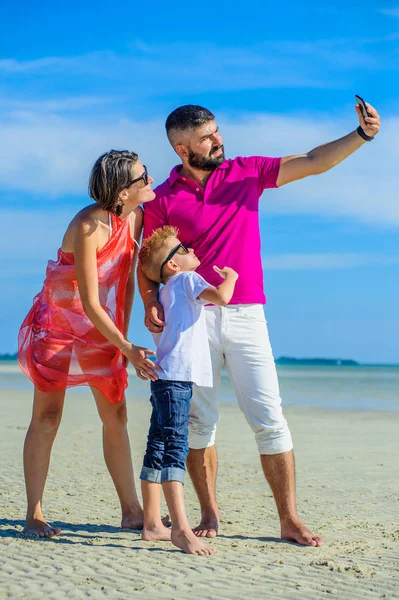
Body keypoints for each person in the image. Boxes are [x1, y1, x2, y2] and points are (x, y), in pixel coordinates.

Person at [138, 103, 381, 547]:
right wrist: (151, 299)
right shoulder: (163, 197)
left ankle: (288, 519)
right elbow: (149, 257)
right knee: (199, 422)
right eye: (207, 137)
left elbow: (311, 161)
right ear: (182, 148)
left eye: (216, 131)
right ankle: (209, 511)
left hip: (248, 313)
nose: (218, 140)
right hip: (194, 318)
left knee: (270, 418)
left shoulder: (245, 172)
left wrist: (360, 136)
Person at [18, 150, 160, 537]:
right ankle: (34, 513)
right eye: (142, 177)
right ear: (120, 190)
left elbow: (127, 280)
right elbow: (89, 299)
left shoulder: (137, 217)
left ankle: (132, 511)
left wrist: (123, 340)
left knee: (116, 416)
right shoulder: (87, 225)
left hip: (103, 329)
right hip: (60, 325)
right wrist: (127, 346)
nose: (150, 181)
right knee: (47, 417)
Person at [138, 225, 238, 554]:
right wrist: (233, 277)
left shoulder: (166, 289)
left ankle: (153, 523)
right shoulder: (188, 280)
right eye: (182, 249)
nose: (190, 249)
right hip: (178, 378)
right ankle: (181, 529)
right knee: (176, 448)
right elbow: (223, 298)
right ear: (173, 265)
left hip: (164, 377)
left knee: (157, 443)